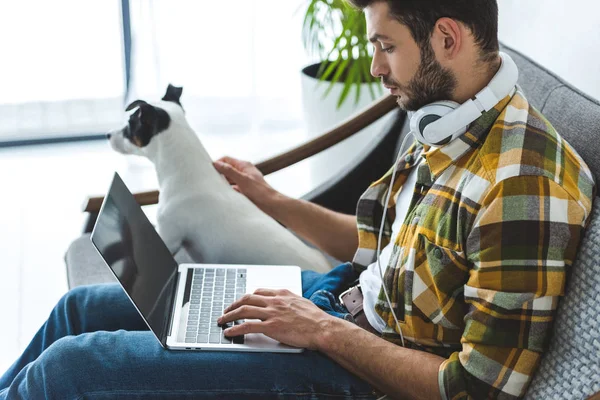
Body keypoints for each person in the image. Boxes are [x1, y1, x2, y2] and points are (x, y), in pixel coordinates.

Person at [1, 1, 595, 399]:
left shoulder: (523, 186)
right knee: (77, 311)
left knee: (71, 367)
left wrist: (322, 331)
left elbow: (474, 388)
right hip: (332, 304)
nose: (375, 66)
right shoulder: (446, 119)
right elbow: (380, 244)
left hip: (353, 370)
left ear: (446, 37)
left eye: (386, 46)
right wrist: (270, 199)